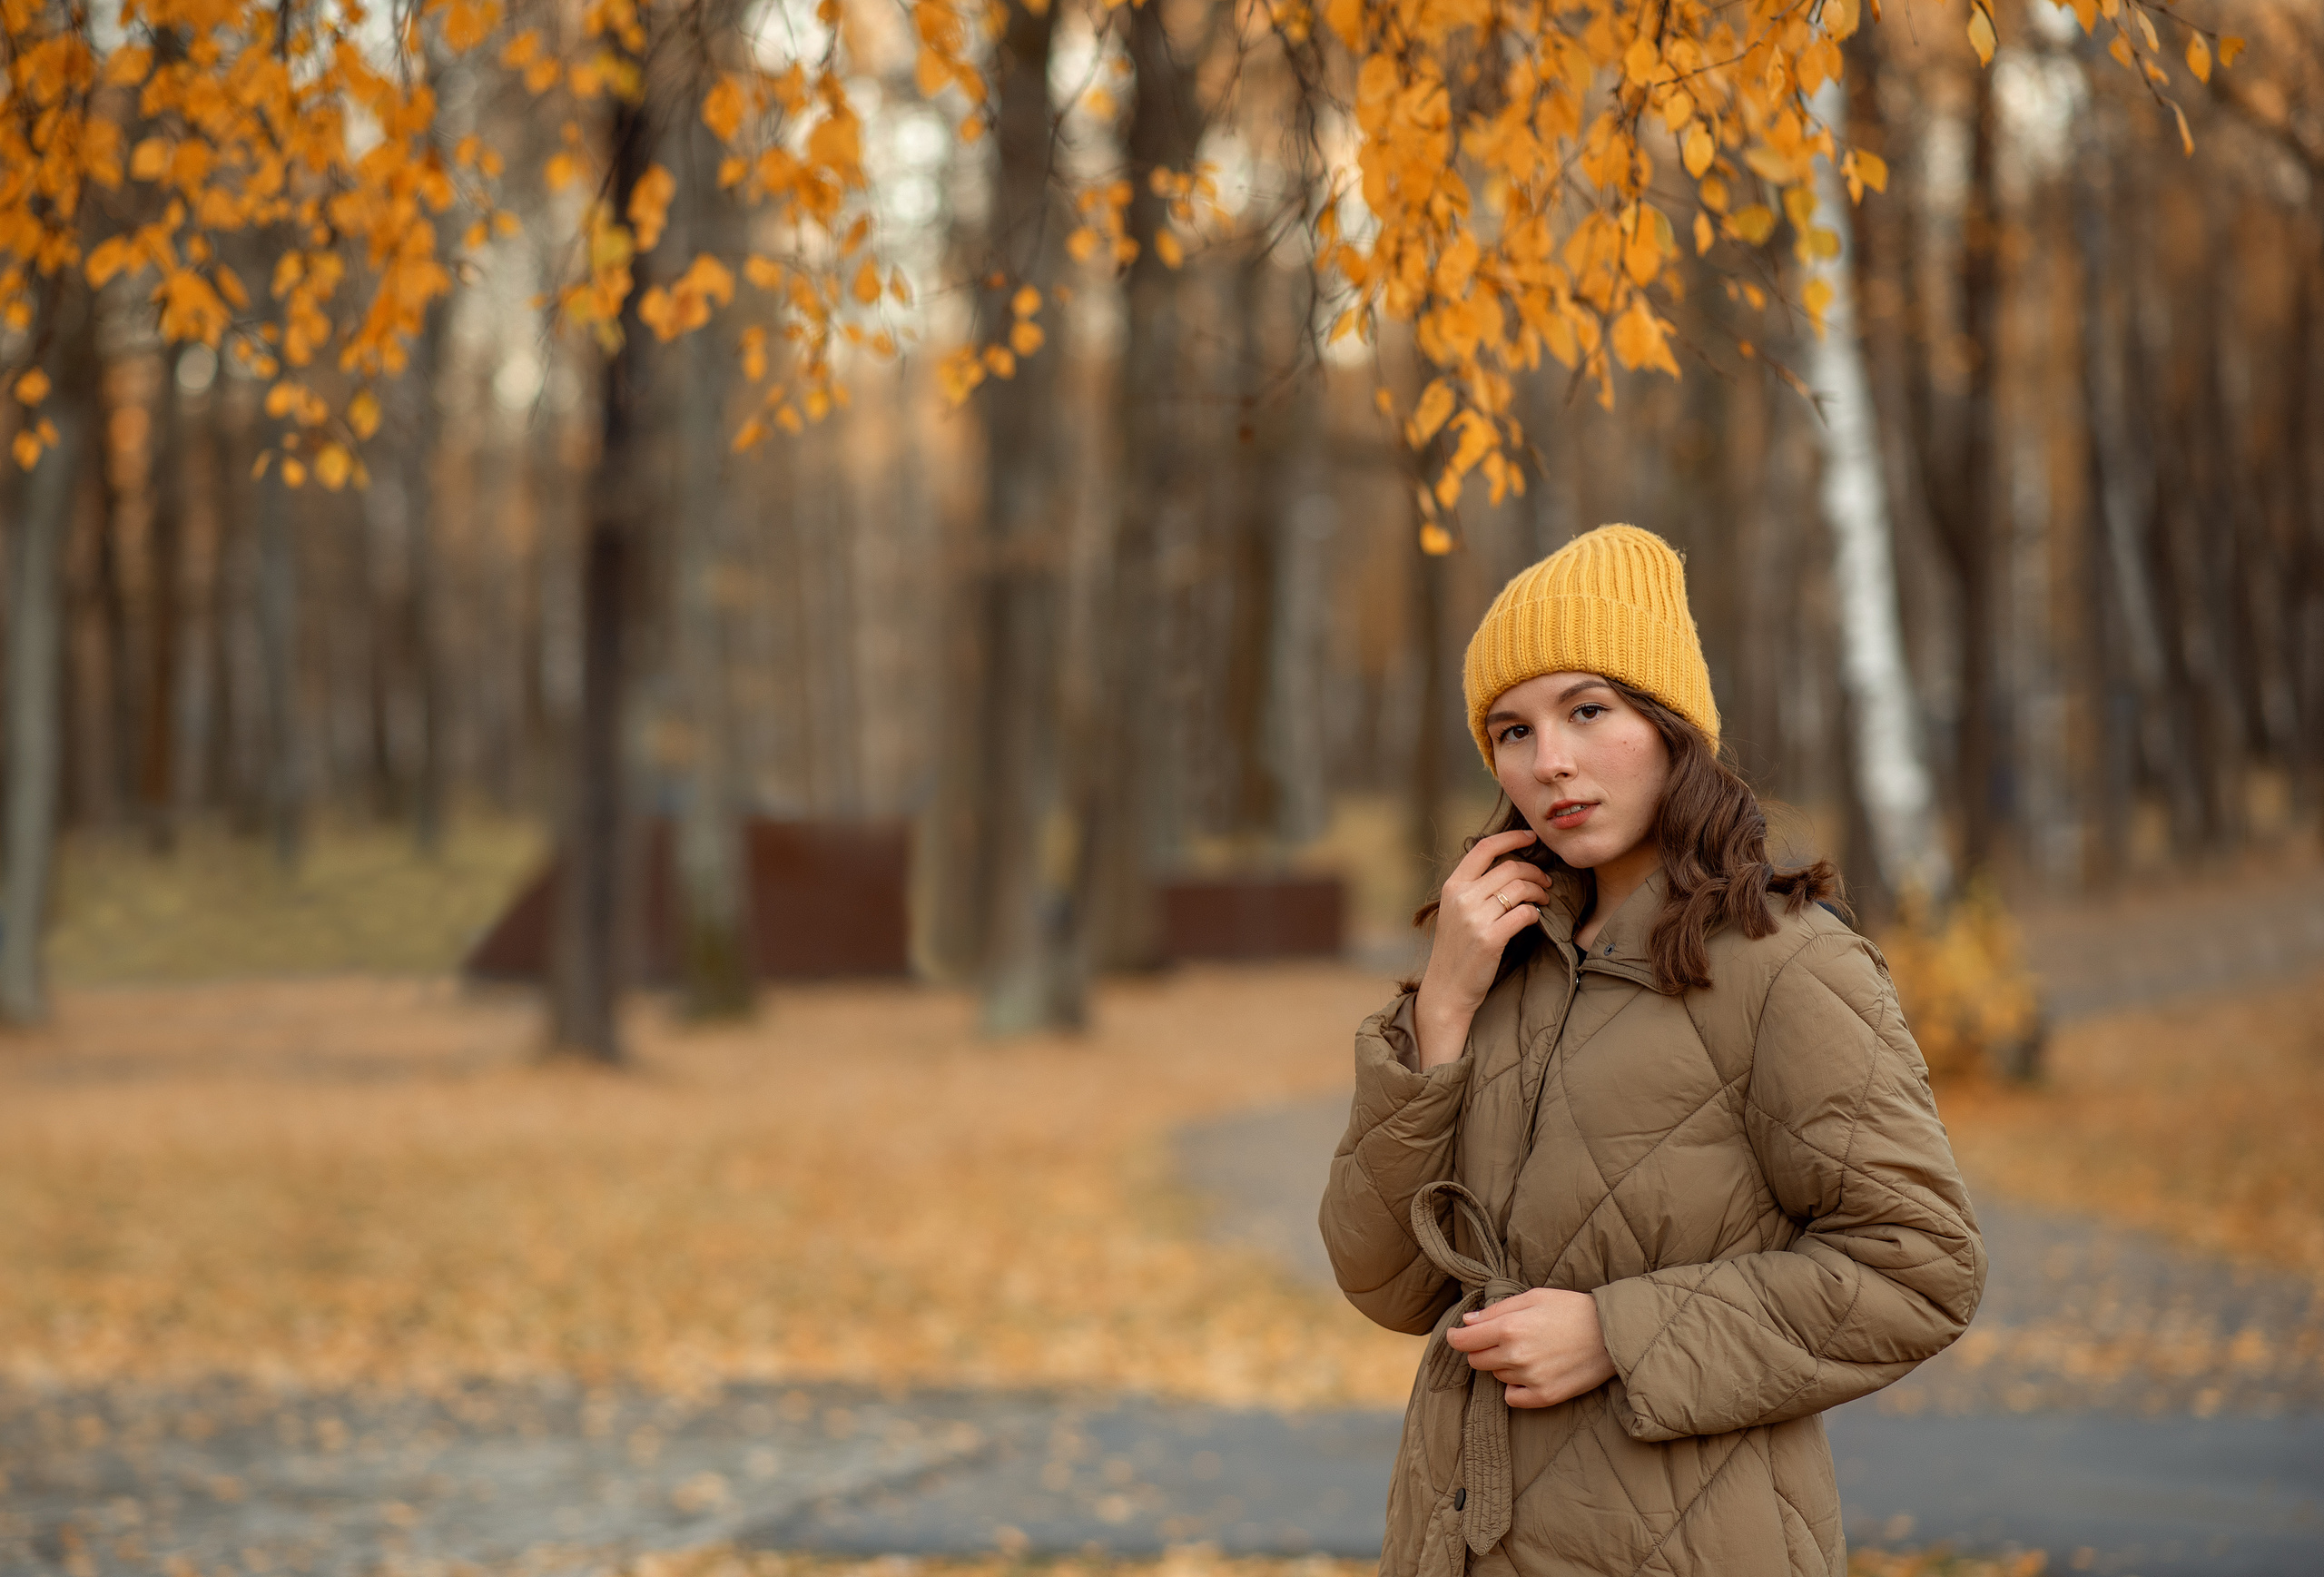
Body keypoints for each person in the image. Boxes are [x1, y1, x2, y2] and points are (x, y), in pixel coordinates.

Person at [1318, 524, 1985, 1577]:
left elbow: (1920, 1268)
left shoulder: (1788, 964)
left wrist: (1619, 1334)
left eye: (1589, 710)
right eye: (1511, 731)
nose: (1551, 763)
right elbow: (1386, 1284)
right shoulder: (1494, 963)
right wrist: (1439, 1009)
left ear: (1673, 725)